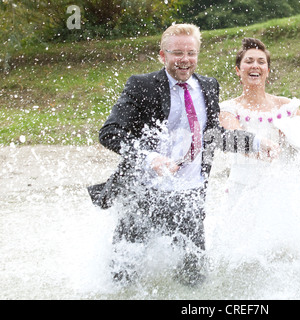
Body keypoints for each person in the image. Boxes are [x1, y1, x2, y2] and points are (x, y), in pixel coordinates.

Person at [87, 26, 278, 286]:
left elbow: (214, 134)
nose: (184, 59)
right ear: (162, 55)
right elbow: (110, 132)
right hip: (144, 194)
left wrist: (255, 142)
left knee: (195, 280)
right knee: (123, 280)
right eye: (177, 53)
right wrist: (150, 158)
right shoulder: (142, 85)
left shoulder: (208, 86)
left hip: (190, 197)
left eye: (191, 53)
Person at [210, 38, 300, 258]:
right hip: (243, 187)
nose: (255, 65)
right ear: (238, 70)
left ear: (267, 71)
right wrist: (263, 147)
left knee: (289, 252)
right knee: (235, 254)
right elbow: (234, 139)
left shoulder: (286, 106)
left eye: (261, 62)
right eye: (249, 61)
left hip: (281, 187)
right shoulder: (227, 108)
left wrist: (292, 135)